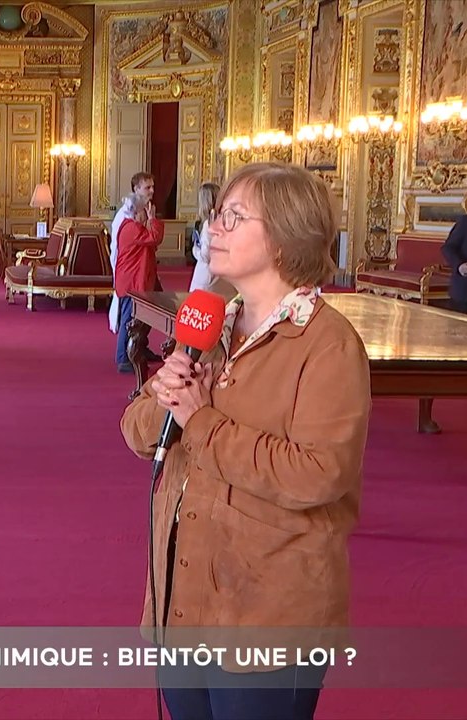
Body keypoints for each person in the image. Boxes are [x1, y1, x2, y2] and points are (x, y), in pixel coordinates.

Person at [120, 162, 370, 719]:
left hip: (268, 609)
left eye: (235, 216)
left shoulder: (326, 344)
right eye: (217, 214)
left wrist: (202, 420)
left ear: (286, 233)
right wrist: (163, 393)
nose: (214, 227)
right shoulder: (209, 325)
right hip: (183, 598)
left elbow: (318, 473)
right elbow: (140, 434)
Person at [114, 196, 164, 373]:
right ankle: (122, 358)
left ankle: (138, 348)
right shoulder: (132, 228)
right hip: (132, 281)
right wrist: (153, 219)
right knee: (129, 320)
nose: (148, 213)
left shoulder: (133, 227)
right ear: (137, 212)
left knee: (142, 316)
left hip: (138, 278)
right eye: (146, 210)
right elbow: (155, 238)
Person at [109, 172, 155, 333]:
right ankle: (126, 352)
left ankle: (139, 346)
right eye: (147, 187)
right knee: (131, 312)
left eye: (152, 187)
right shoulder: (125, 216)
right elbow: (118, 247)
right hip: (132, 270)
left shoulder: (144, 209)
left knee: (152, 308)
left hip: (144, 268)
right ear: (136, 189)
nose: (151, 191)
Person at [188, 182, 220, 293]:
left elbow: (205, 255)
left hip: (206, 274)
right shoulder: (222, 220)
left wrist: (195, 250)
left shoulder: (208, 224)